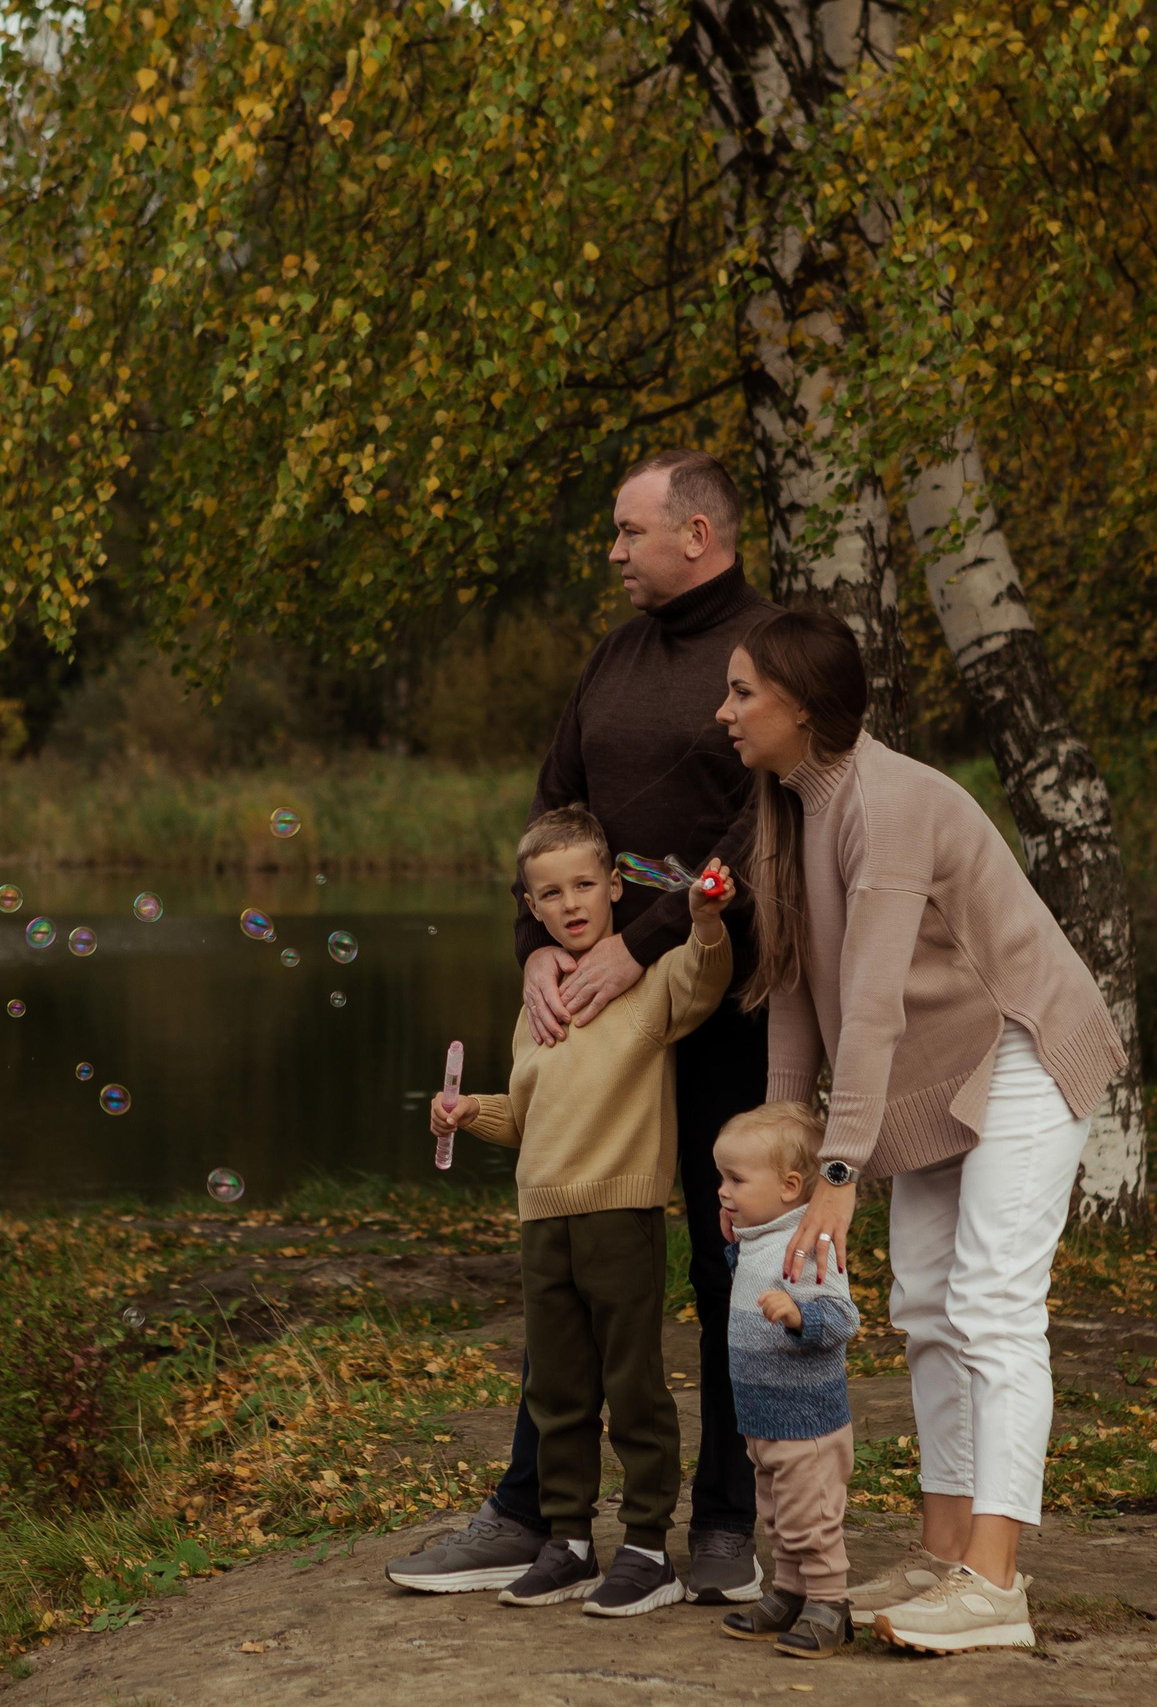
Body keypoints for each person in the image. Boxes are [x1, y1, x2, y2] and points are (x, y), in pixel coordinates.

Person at [388, 449, 774, 1604]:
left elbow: (761, 829)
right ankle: (534, 1514)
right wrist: (535, 964)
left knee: (717, 1258)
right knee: (564, 1260)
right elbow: (549, 816)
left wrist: (635, 944)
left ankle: (715, 1521)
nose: (612, 551)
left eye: (627, 530)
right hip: (589, 1010)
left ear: (696, 534)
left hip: (716, 999)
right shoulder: (612, 657)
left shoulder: (763, 653)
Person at [714, 606, 1126, 1654]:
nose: (723, 712)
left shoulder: (889, 803)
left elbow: (878, 998)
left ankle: (994, 1583)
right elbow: (802, 1003)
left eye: (741, 692)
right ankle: (946, 1554)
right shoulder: (797, 811)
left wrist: (841, 1169)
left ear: (801, 707)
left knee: (992, 1303)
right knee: (924, 1304)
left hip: (1021, 1046)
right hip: (941, 1078)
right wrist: (789, 1153)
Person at [429, 807, 733, 1617]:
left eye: (585, 885)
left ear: (614, 886)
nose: (570, 902)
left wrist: (702, 918)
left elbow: (704, 977)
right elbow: (529, 1116)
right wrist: (470, 1115)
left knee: (633, 1384)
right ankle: (566, 1540)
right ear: (531, 908)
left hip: (621, 1214)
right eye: (551, 892)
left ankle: (645, 1547)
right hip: (543, 1223)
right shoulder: (537, 1007)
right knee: (557, 1390)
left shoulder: (645, 981)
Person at [709, 1102, 861, 1659]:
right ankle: (790, 1592)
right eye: (721, 1177)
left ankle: (829, 1602)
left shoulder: (811, 1243)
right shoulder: (758, 1239)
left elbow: (844, 1319)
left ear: (790, 1185)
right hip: (762, 1417)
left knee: (812, 1518)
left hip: (806, 1422)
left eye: (736, 1179)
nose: (723, 1190)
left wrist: (801, 1317)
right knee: (776, 1515)